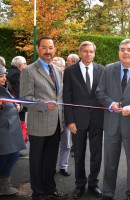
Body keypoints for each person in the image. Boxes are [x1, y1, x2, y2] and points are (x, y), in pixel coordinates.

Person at [95, 39, 130, 200]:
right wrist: (111, 103)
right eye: (122, 49)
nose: (125, 52)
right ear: (119, 52)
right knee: (110, 161)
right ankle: (107, 192)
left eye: (129, 49)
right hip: (112, 122)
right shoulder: (109, 69)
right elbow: (100, 92)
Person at [19, 36, 68, 200]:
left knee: (50, 160)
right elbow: (25, 98)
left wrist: (61, 122)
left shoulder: (57, 70)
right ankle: (38, 192)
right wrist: (44, 105)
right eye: (44, 48)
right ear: (38, 49)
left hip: (55, 124)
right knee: (37, 161)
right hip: (39, 123)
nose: (48, 51)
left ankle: (50, 188)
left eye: (51, 47)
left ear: (55, 49)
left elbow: (60, 98)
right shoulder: (29, 70)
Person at [63, 41, 104, 199]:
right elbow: (67, 97)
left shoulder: (102, 70)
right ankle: (80, 184)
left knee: (96, 154)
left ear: (94, 53)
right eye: (85, 51)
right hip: (77, 121)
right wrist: (69, 121)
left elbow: (104, 94)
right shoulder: (70, 71)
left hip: (97, 119)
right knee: (79, 154)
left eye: (91, 52)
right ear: (80, 53)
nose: (89, 54)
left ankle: (93, 183)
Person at [0, 65, 26, 196]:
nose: (4, 78)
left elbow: (16, 103)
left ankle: (4, 184)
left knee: (11, 155)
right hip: (4, 131)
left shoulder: (4, 89)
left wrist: (18, 106)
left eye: (5, 75)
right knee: (9, 156)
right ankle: (3, 185)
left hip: (10, 130)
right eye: (1, 76)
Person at [52, 57, 72, 177]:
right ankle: (51, 167)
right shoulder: (49, 80)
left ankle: (63, 166)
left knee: (66, 144)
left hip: (66, 117)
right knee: (52, 144)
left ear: (63, 67)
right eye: (53, 65)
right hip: (51, 118)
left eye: (58, 65)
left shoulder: (69, 81)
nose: (55, 68)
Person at [65, 53, 80, 158]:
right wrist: (69, 120)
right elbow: (67, 97)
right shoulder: (68, 72)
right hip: (72, 114)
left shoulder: (99, 70)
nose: (66, 62)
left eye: (68, 61)